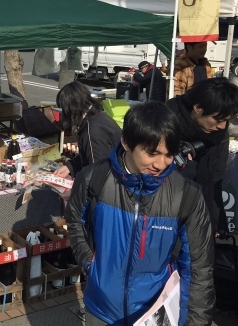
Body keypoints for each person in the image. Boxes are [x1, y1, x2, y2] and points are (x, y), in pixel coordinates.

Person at [66, 102, 214, 325]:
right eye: (152, 153)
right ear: (126, 141)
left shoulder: (187, 196)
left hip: (156, 312)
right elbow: (75, 219)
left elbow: (199, 268)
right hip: (101, 309)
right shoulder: (92, 179)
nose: (160, 164)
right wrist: (90, 262)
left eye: (169, 154)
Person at [166, 77, 238, 237]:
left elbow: (214, 183)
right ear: (197, 108)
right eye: (218, 120)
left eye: (226, 121)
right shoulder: (165, 123)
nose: (222, 126)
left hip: (200, 213)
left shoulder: (219, 136)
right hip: (164, 215)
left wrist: (216, 222)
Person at [53, 81, 122, 178]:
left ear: (71, 109)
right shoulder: (98, 115)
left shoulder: (92, 131)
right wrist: (70, 167)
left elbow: (97, 174)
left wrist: (76, 191)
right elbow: (89, 154)